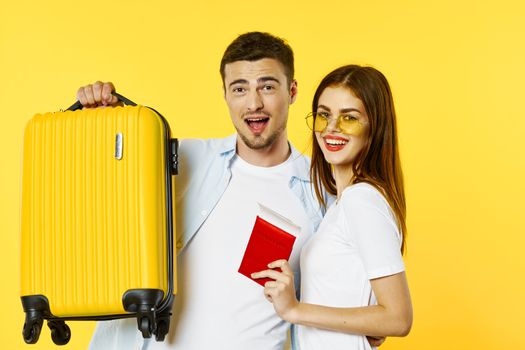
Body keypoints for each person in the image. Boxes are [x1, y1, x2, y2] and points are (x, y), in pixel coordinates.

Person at [77, 33, 384, 350]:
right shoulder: (180, 159)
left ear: (292, 91)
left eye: (267, 86)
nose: (254, 103)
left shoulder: (325, 194)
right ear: (225, 94)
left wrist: (359, 325)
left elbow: (357, 303)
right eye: (240, 89)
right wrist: (106, 120)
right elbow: (105, 188)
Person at [252, 65, 413, 349]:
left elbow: (398, 318)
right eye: (324, 115)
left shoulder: (361, 200)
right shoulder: (341, 203)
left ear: (375, 127)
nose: (331, 128)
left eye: (349, 118)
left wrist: (294, 310)